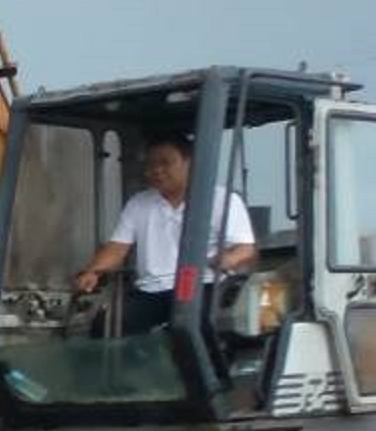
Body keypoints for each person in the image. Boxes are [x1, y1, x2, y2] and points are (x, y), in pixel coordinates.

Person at [72, 135, 258, 335]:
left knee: (194, 328)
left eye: (165, 163)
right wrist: (92, 272)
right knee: (106, 325)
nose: (156, 170)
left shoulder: (222, 198)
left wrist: (228, 259)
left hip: (202, 285)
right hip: (150, 290)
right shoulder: (139, 203)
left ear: (189, 163)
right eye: (151, 165)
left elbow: (246, 249)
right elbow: (117, 248)